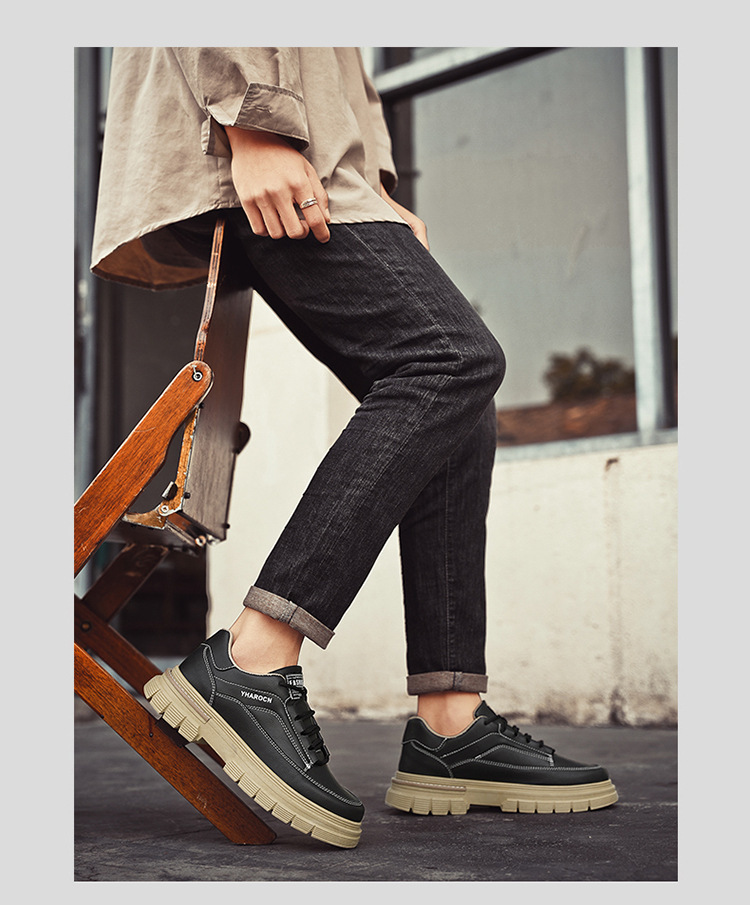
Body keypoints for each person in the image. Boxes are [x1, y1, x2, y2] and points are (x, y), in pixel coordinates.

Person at [90, 47, 617, 849]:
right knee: (448, 358)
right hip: (261, 131)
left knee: (457, 390)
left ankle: (451, 724)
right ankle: (252, 657)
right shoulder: (254, 125)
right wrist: (251, 123)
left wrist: (375, 183)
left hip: (316, 149)